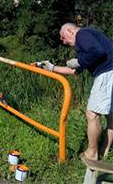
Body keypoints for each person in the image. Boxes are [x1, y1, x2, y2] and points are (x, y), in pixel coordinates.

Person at [40, 23, 113, 160]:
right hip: (110, 71)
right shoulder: (85, 42)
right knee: (110, 115)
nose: (64, 42)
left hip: (107, 73)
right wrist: (51, 68)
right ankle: (105, 150)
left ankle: (92, 153)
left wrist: (79, 61)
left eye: (63, 37)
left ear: (70, 31)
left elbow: (97, 52)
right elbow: (74, 71)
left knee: (92, 114)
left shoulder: (82, 34)